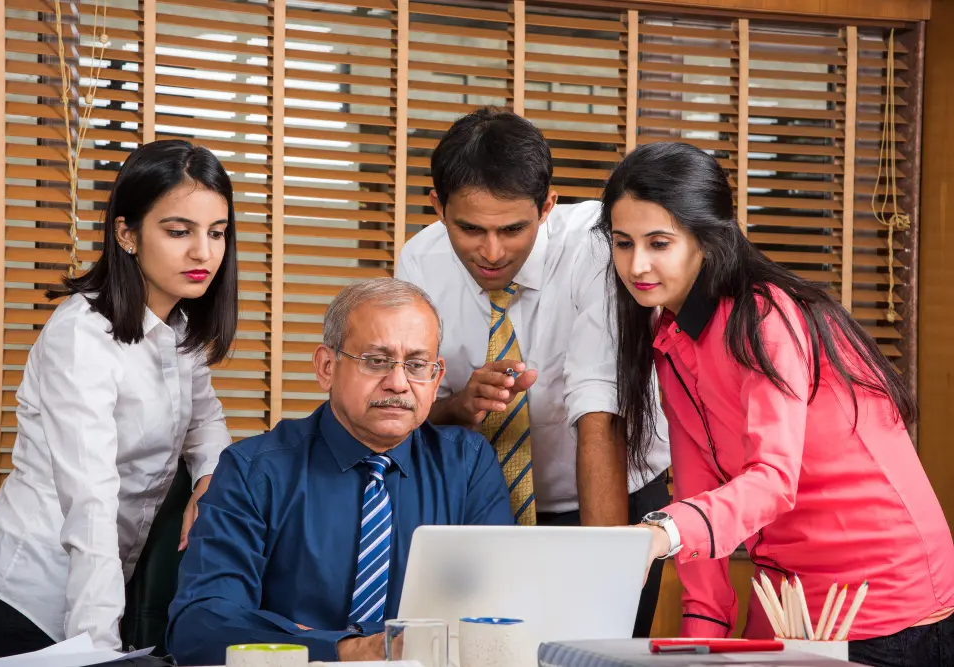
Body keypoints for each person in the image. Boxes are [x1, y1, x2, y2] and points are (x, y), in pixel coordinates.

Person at [602, 141, 954, 666]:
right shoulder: (670, 336)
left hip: (880, 593)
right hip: (790, 599)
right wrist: (702, 634)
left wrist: (664, 531)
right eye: (622, 243)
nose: (638, 264)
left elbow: (773, 479)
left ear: (708, 239)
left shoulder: (764, 316)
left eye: (659, 243)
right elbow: (699, 483)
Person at [0, 139, 238, 661]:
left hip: (95, 600)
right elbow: (90, 503)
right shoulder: (81, 336)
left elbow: (206, 423)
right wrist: (99, 652)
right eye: (179, 231)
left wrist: (208, 480)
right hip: (17, 604)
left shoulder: (176, 329)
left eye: (216, 233)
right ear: (126, 233)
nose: (204, 252)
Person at [396, 107, 671, 637]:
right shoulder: (420, 260)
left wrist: (605, 581)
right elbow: (418, 413)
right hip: (488, 503)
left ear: (548, 205)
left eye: (513, 229)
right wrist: (461, 405)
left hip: (615, 491)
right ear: (437, 206)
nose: (491, 252)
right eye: (469, 228)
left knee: (599, 649)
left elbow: (600, 412)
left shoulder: (597, 247)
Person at [166, 278, 513, 665]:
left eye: (417, 365)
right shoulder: (253, 471)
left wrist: (293, 637)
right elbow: (200, 627)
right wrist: (349, 650)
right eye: (376, 361)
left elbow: (496, 615)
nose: (398, 383)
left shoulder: (467, 466)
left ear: (435, 377)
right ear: (327, 367)